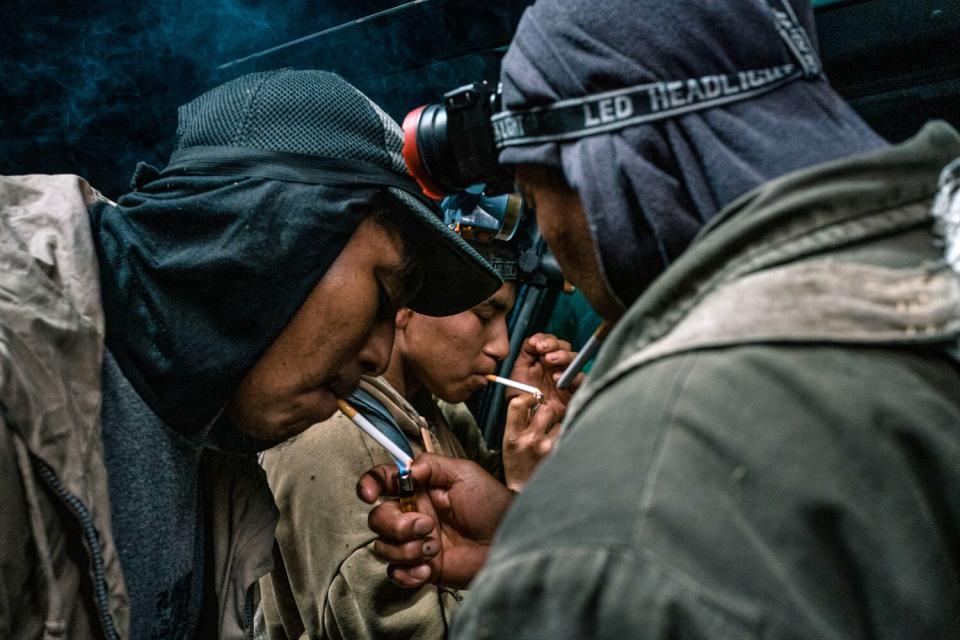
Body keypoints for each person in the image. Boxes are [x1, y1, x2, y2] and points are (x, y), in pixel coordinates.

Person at [358, 0, 960, 637]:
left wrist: (559, 557)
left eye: (537, 194)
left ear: (607, 176)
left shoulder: (637, 497)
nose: (559, 253)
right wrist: (520, 533)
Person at [0, 69, 501, 640]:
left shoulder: (215, 442)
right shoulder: (12, 372)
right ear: (274, 228)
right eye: (385, 293)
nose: (379, 351)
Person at [259, 240, 577, 640]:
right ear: (408, 305)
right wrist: (523, 499)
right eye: (484, 315)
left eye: (506, 319)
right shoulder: (339, 446)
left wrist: (537, 431)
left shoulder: (433, 411)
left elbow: (474, 519)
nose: (502, 347)